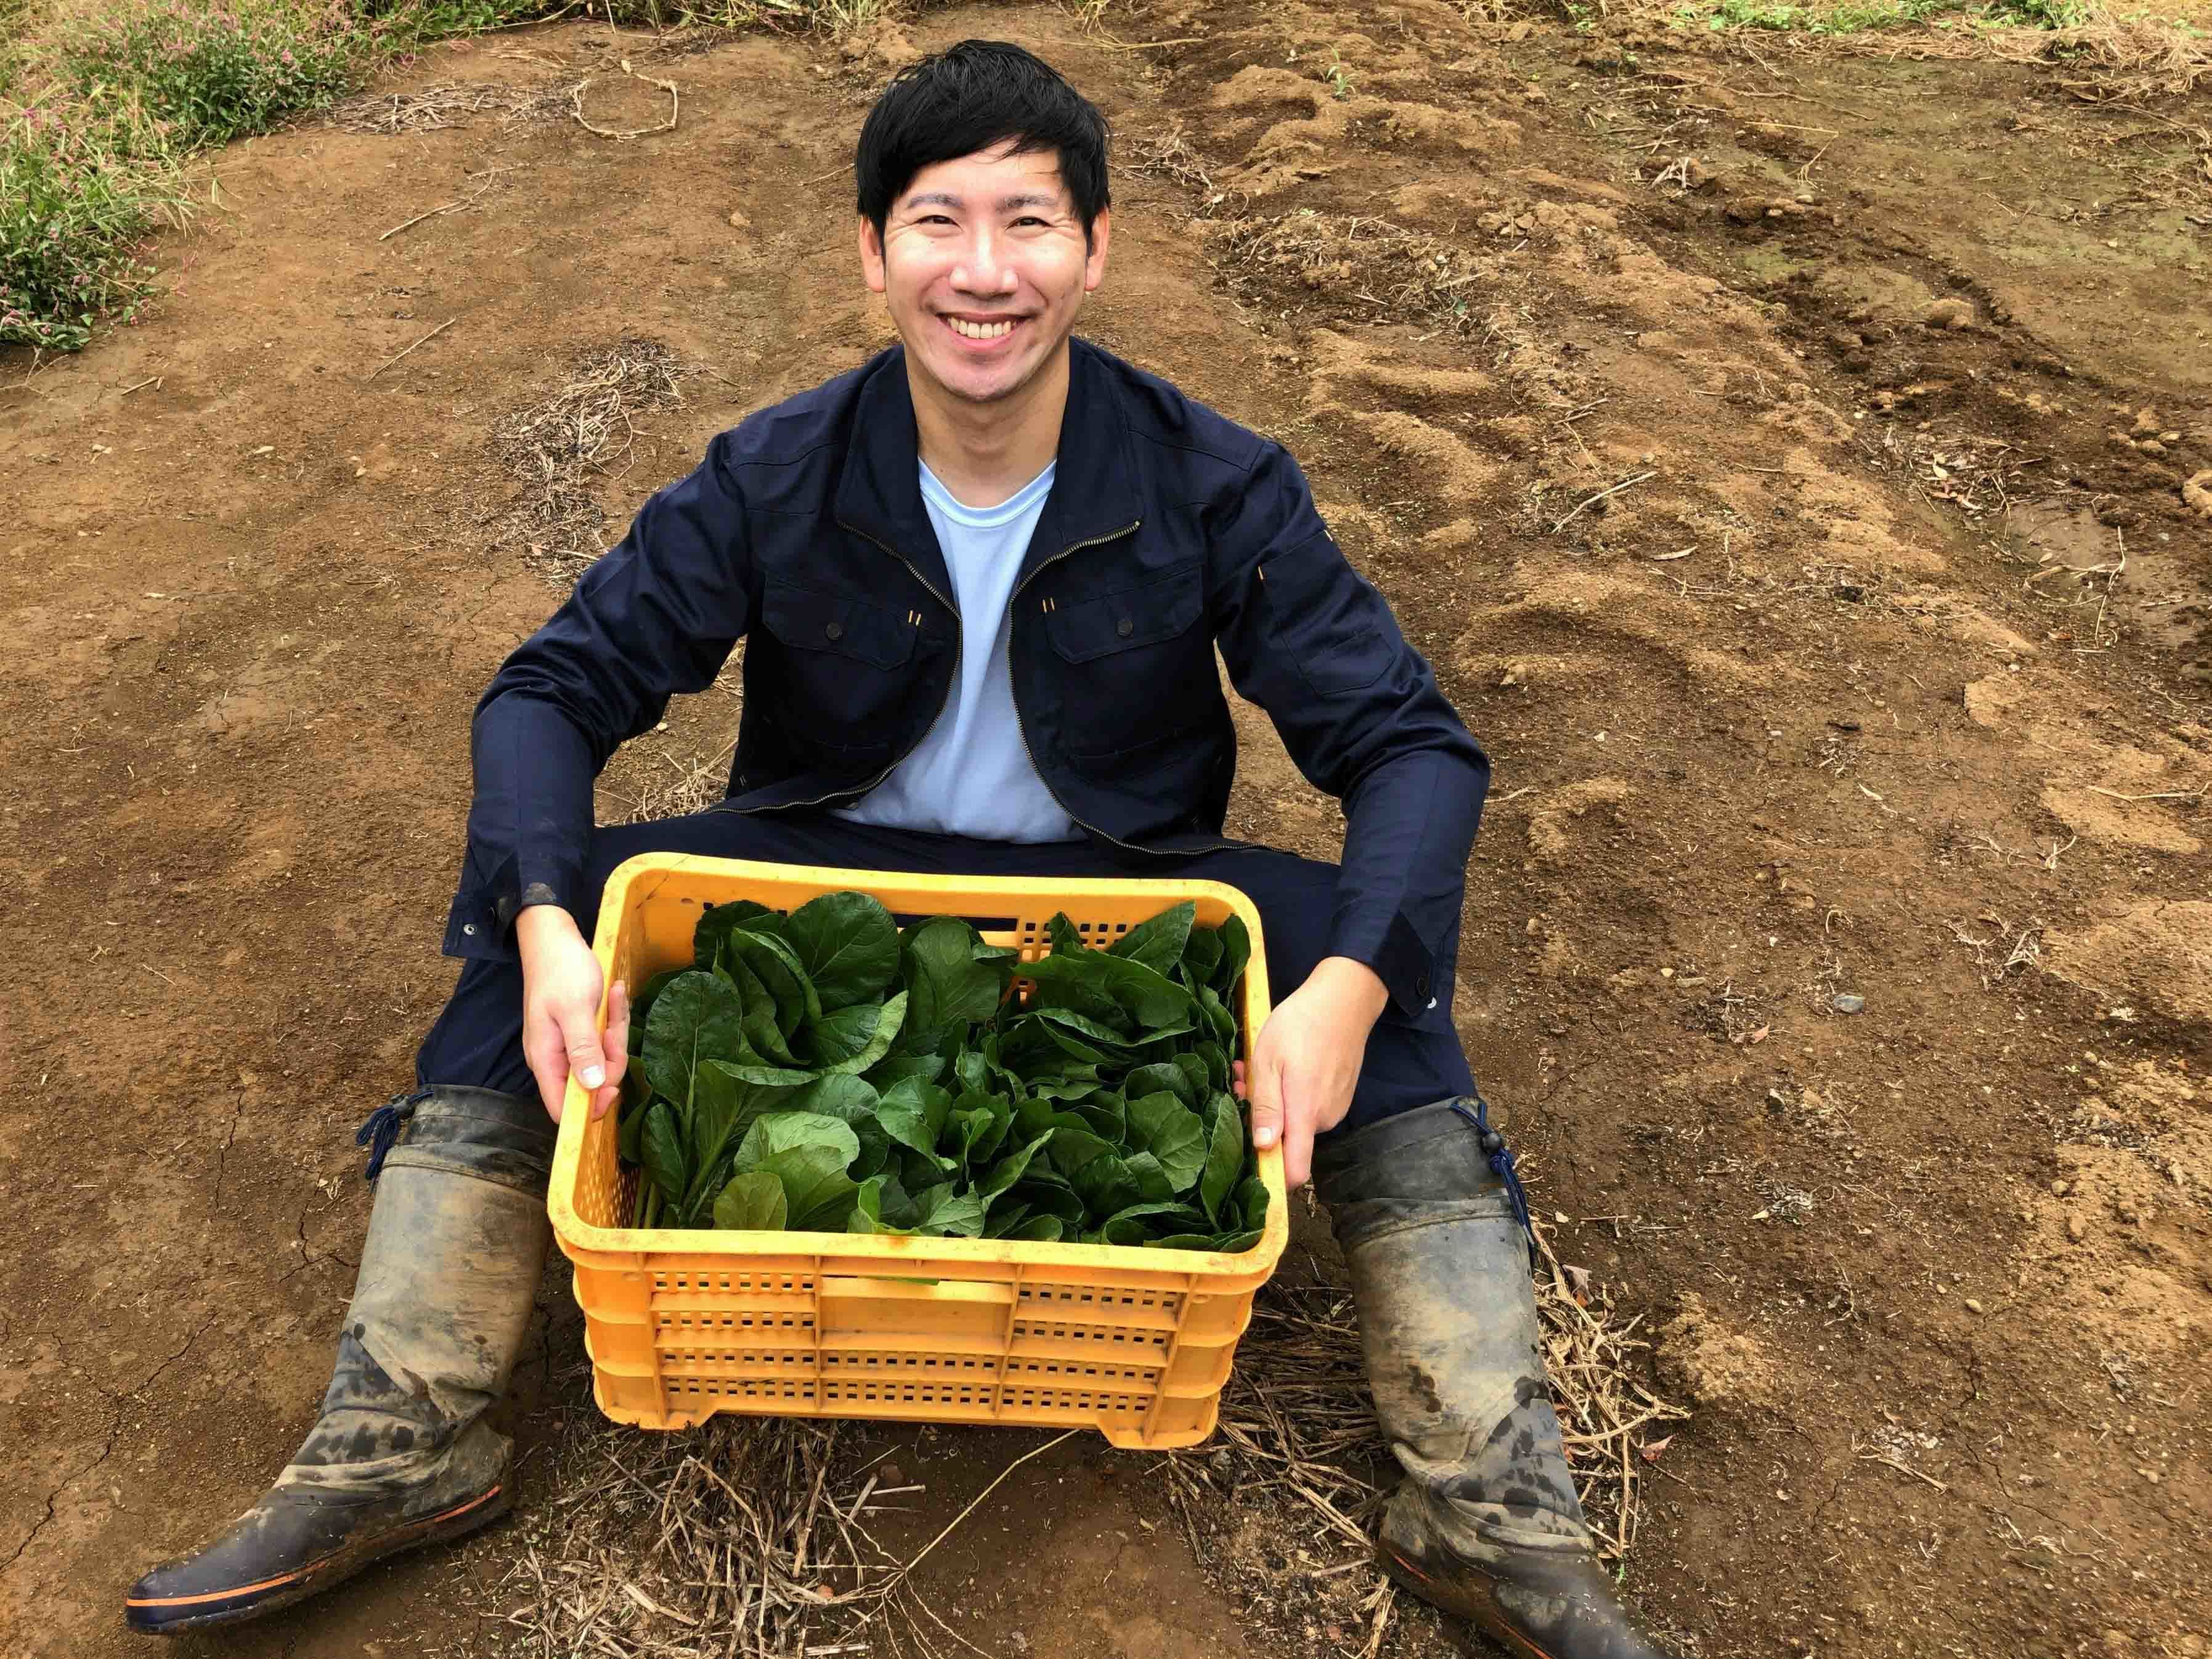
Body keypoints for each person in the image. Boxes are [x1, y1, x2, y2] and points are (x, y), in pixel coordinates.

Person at [125, 40, 1665, 1658]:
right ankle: (403, 1432)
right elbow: (551, 689)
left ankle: (1489, 1506)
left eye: (1029, 222)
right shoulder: (779, 471)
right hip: (827, 880)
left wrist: (1341, 988)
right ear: (873, 253)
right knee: (541, 923)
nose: (984, 273)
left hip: (1110, 893)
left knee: (1383, 969)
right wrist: (542, 924)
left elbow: (1411, 744)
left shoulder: (1212, 484)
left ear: (1096, 248)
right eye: (938, 221)